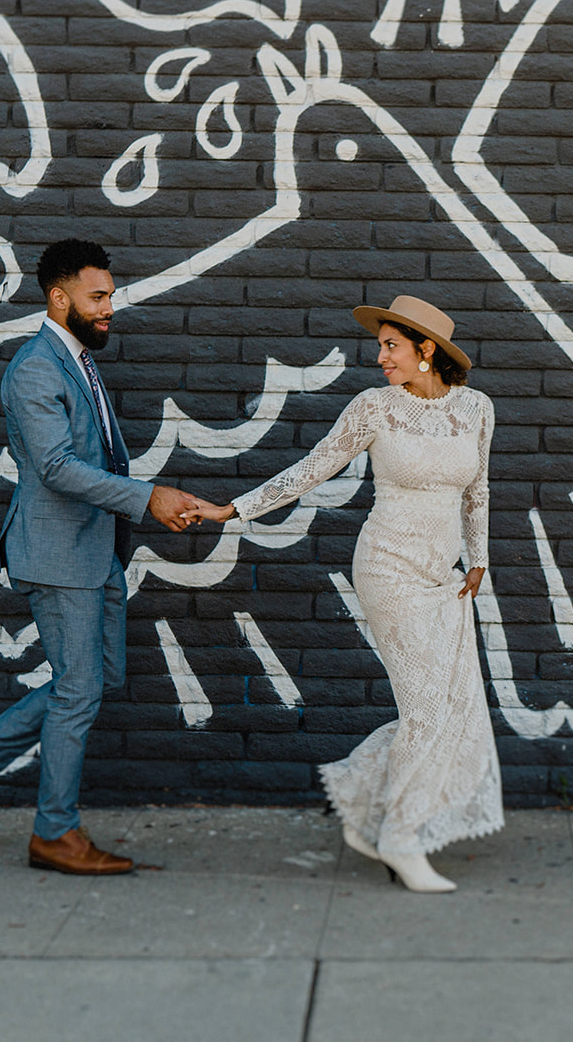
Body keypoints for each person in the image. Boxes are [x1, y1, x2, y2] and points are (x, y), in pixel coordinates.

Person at [192, 296, 503, 892]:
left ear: (427, 351)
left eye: (392, 345)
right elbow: (313, 468)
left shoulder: (477, 408)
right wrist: (234, 510)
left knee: (447, 707)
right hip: (387, 569)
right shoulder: (373, 408)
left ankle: (367, 808)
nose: (380, 356)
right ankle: (400, 839)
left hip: (446, 577)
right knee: (427, 709)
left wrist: (480, 558)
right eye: (381, 344)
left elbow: (478, 492)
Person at [0, 238, 205, 875]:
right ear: (60, 299)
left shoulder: (78, 361)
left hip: (94, 550)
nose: (112, 306)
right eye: (99, 296)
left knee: (95, 680)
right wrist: (149, 498)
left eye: (110, 294)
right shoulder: (35, 369)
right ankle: (55, 832)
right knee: (79, 690)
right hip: (58, 554)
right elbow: (57, 467)